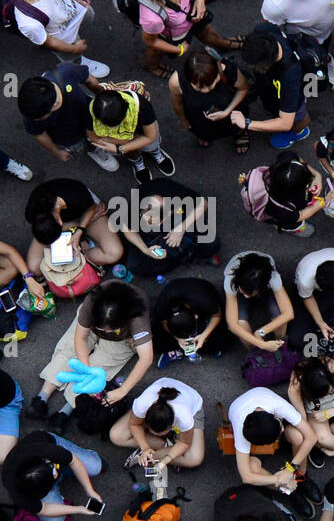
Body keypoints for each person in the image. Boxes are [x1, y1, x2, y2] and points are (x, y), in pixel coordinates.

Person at [30, 280, 154, 428]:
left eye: (109, 330)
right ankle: (42, 398)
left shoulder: (138, 320)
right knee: (70, 351)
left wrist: (123, 390)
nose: (104, 332)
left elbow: (146, 358)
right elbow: (80, 337)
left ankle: (64, 409)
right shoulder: (92, 303)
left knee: (101, 366)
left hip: (123, 340)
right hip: (94, 327)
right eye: (100, 328)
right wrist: (85, 368)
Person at [2, 0, 109, 78]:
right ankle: (81, 64)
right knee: (71, 58)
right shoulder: (28, 22)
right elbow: (50, 42)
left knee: (88, 16)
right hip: (62, 38)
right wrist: (74, 49)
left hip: (71, 10)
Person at [135, 0, 235, 79]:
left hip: (192, 17)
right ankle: (151, 66)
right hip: (174, 36)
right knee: (155, 52)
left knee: (208, 32)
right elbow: (151, 41)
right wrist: (179, 50)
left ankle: (223, 44)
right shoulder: (151, 18)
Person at [18, 63, 117, 168]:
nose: (35, 120)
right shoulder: (32, 111)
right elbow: (39, 134)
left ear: (54, 105)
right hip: (69, 137)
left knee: (102, 133)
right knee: (85, 145)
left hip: (90, 116)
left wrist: (104, 99)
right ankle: (94, 150)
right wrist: (56, 151)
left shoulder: (66, 72)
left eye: (40, 118)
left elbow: (89, 80)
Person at [228, 25, 310, 149]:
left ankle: (298, 132)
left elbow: (286, 122)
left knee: (298, 117)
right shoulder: (264, 32)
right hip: (273, 87)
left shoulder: (290, 77)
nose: (251, 68)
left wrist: (247, 123)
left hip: (300, 88)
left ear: (266, 64)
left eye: (254, 66)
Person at [118, 176, 218, 278]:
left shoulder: (169, 188)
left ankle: (189, 256)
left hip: (179, 221)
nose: (160, 225)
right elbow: (126, 228)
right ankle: (179, 258)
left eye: (163, 220)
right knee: (135, 266)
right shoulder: (136, 203)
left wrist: (181, 228)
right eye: (151, 221)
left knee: (212, 243)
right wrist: (146, 250)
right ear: (142, 211)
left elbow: (203, 203)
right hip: (151, 237)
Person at [1, 429, 103, 521]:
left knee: (95, 466)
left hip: (46, 443)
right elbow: (45, 509)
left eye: (54, 467)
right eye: (54, 471)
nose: (56, 467)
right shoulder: (20, 496)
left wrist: (89, 490)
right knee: (55, 520)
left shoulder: (42, 450)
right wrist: (79, 509)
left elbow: (73, 461)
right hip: (40, 480)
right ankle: (65, 473)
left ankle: (69, 467)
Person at [24, 178, 124, 272]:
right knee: (35, 267)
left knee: (114, 252)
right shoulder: (32, 211)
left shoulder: (77, 194)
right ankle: (77, 258)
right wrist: (73, 226)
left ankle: (81, 253)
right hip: (62, 225)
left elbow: (91, 209)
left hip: (85, 214)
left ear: (59, 221)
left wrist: (80, 230)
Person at [108, 376, 205, 470]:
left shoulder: (184, 417)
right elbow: (135, 424)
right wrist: (144, 447)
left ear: (173, 425)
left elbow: (184, 442)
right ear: (146, 419)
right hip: (155, 408)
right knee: (116, 436)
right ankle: (165, 447)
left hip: (193, 409)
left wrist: (165, 460)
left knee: (194, 458)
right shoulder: (142, 404)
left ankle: (150, 456)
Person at [85, 87, 175, 185]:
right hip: (119, 140)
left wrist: (119, 148)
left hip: (141, 133)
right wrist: (124, 143)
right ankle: (137, 161)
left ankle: (155, 152)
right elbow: (91, 135)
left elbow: (150, 136)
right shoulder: (92, 111)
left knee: (151, 145)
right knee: (130, 152)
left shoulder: (141, 105)